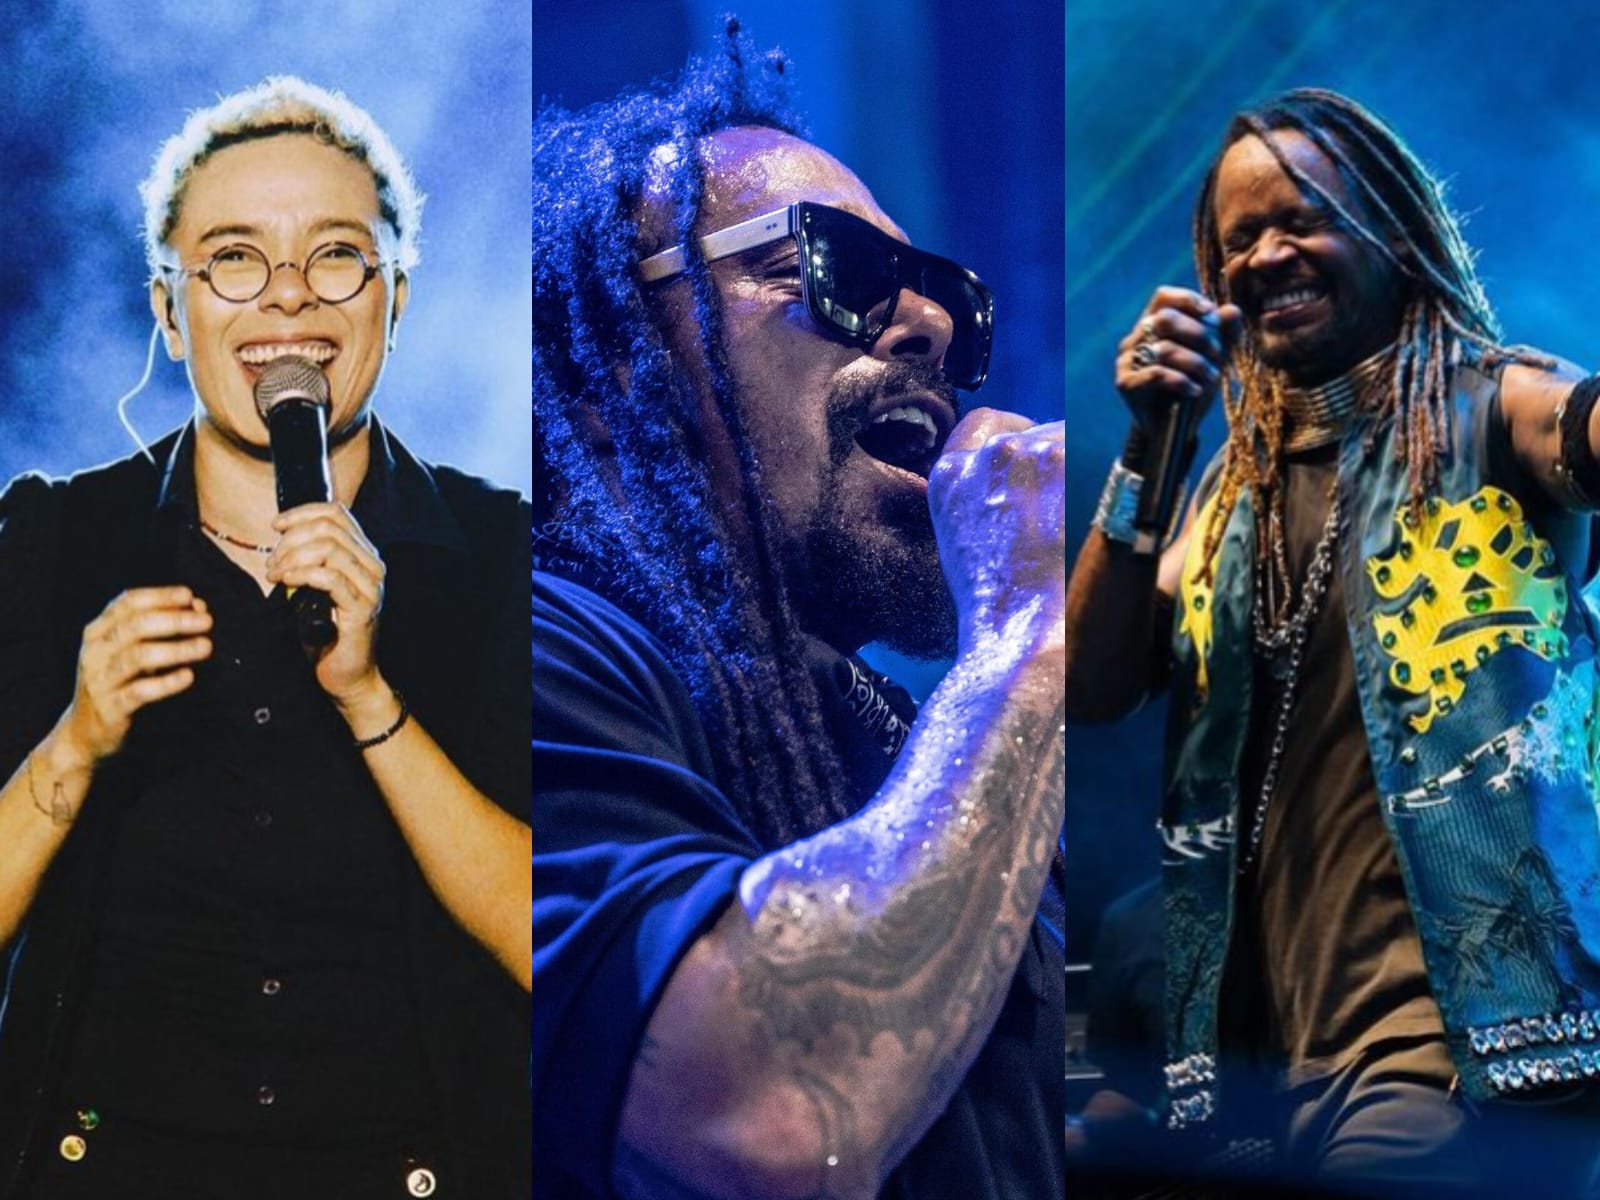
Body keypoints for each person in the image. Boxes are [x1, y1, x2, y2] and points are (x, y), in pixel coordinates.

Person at [532, 25, 1066, 1200]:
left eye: (949, 305)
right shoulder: (525, 659)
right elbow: (762, 1115)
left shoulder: (920, 743)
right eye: (837, 271)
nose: (925, 326)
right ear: (627, 364)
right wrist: (1030, 642)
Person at [0, 78, 532, 1199]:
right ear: (167, 308)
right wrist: (74, 744)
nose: (288, 301)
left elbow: (562, 947)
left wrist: (370, 701)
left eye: (336, 255)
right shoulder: (51, 542)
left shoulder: (507, 562)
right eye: (234, 259)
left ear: (395, 295)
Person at [1066, 88, 1600, 1197]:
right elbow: (1089, 685)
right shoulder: (1220, 492)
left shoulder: (1489, 406)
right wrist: (1149, 445)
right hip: (1256, 1074)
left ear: (1391, 233)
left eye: (1299, 216)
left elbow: (1580, 427)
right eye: (1236, 239)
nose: (1267, 253)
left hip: (1462, 1052)